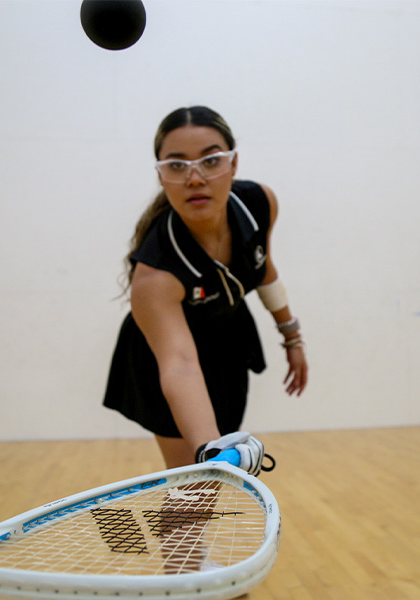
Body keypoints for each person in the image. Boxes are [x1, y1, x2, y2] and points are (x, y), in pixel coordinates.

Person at [103, 106, 308, 473]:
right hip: (163, 357)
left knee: (207, 490)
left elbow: (262, 268)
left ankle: (187, 526)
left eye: (211, 160)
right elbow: (179, 365)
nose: (195, 178)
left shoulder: (260, 203)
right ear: (162, 176)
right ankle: (178, 531)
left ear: (233, 164)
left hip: (227, 346)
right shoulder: (155, 274)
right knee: (194, 486)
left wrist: (291, 336)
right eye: (177, 166)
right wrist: (213, 450)